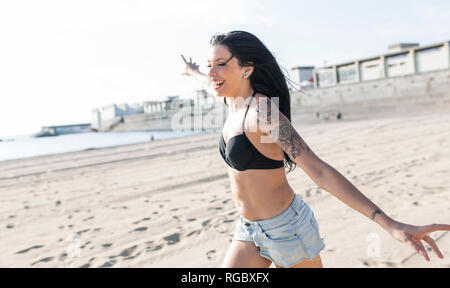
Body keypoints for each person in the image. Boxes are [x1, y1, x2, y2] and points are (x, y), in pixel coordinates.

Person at [181, 30, 450, 268]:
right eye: (209, 65)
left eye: (220, 64)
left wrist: (390, 224)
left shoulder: (263, 112)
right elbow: (207, 83)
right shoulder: (230, 100)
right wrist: (193, 70)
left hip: (288, 230)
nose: (212, 72)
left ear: (246, 69)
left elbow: (318, 170)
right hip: (249, 230)